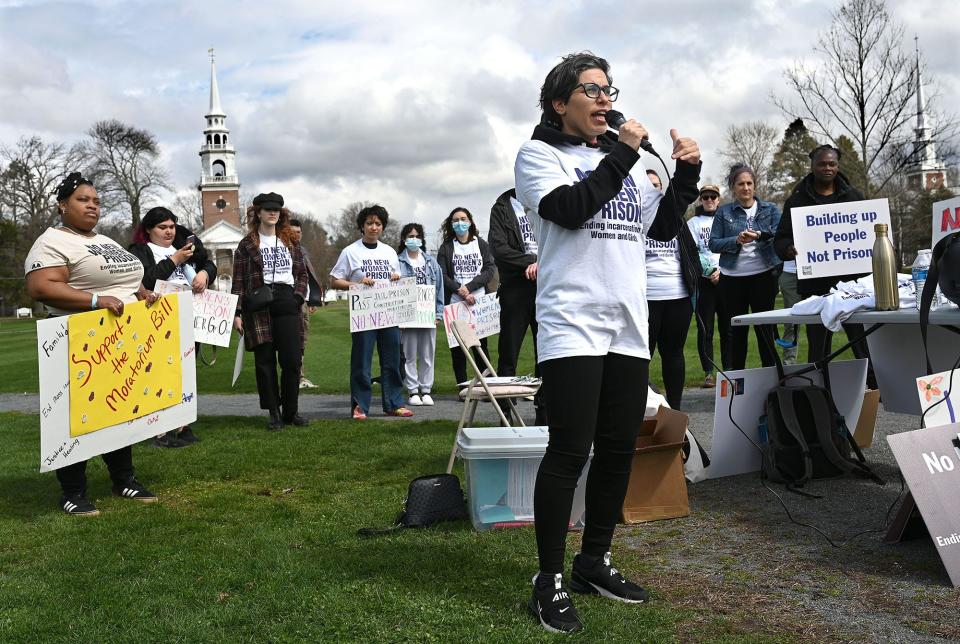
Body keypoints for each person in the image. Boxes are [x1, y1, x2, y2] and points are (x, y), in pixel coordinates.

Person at [514, 51, 701, 633]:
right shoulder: (538, 155)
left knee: (619, 447)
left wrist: (685, 175)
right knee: (571, 449)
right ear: (558, 103)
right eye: (590, 90)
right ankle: (548, 581)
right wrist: (622, 154)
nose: (603, 99)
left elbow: (661, 227)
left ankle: (594, 559)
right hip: (572, 319)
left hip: (627, 321)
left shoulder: (626, 162)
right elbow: (569, 210)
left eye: (607, 89)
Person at [24, 172, 159, 516]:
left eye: (97, 201)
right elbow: (42, 287)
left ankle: (123, 478)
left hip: (118, 336)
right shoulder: (52, 242)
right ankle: (72, 491)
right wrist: (97, 299)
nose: (93, 206)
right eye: (84, 200)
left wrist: (139, 291)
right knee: (75, 414)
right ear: (62, 205)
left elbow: (127, 277)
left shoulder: (106, 240)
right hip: (75, 336)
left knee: (118, 406)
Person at [773, 144, 876, 386]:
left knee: (861, 339)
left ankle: (874, 385)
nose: (827, 168)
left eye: (832, 164)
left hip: (853, 284)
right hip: (815, 284)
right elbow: (781, 239)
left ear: (838, 166)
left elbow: (868, 231)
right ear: (812, 165)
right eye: (822, 164)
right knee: (818, 341)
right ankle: (817, 386)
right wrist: (788, 249)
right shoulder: (796, 201)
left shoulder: (855, 197)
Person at [128, 206, 217, 447]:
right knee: (160, 375)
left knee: (186, 374)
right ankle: (159, 431)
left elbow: (208, 263)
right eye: (162, 227)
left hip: (189, 317)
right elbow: (145, 280)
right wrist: (174, 260)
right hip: (157, 321)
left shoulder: (185, 248)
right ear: (149, 230)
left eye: (171, 227)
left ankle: (182, 425)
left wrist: (204, 275)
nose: (168, 232)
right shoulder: (141, 251)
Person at [231, 192, 310, 431]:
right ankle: (274, 413)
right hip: (258, 303)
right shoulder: (246, 245)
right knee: (264, 363)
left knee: (292, 360)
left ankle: (291, 411)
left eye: (276, 209)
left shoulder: (290, 241)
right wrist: (236, 312)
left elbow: (302, 274)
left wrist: (297, 296)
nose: (272, 213)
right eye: (268, 209)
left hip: (287, 301)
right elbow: (238, 281)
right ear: (258, 213)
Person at [329, 204, 413, 420]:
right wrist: (355, 284)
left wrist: (396, 279)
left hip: (388, 313)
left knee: (392, 360)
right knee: (362, 361)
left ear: (383, 227)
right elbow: (335, 280)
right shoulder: (350, 251)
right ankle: (360, 406)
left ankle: (394, 403)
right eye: (369, 223)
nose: (373, 227)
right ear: (362, 226)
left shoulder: (390, 252)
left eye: (378, 223)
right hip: (364, 315)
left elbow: (398, 279)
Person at [709, 164, 782, 370]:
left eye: (749, 183)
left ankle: (771, 380)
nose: (746, 188)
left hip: (763, 277)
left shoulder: (770, 209)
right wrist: (736, 240)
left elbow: (780, 236)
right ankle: (738, 382)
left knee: (765, 331)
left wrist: (758, 235)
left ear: (755, 187)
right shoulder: (723, 213)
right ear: (733, 188)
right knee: (736, 333)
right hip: (732, 279)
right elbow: (713, 243)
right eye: (741, 184)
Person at [487, 188, 546, 424]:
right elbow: (499, 249)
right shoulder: (502, 207)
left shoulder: (546, 200)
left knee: (546, 354)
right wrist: (532, 262)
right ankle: (506, 414)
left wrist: (544, 264)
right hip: (515, 289)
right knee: (508, 354)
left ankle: (545, 414)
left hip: (546, 287)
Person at [644, 177, 700, 410]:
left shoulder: (677, 221)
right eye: (648, 185)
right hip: (644, 297)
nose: (654, 189)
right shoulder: (636, 219)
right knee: (640, 356)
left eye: (657, 185)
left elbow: (691, 254)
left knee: (674, 353)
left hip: (677, 295)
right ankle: (640, 406)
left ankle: (675, 409)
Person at [436, 207, 496, 386]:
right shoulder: (446, 247)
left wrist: (469, 288)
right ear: (451, 224)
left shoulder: (482, 244)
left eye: (463, 219)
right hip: (455, 303)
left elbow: (489, 269)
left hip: (479, 302)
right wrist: (460, 290)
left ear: (470, 221)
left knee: (480, 347)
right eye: (455, 220)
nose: (460, 223)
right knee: (458, 348)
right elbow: (442, 274)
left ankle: (486, 384)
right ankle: (462, 385)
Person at [686, 184, 730, 386]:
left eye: (713, 196)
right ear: (701, 200)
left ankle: (730, 371)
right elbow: (692, 251)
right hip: (705, 283)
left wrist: (722, 271)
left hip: (728, 278)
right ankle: (708, 373)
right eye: (706, 197)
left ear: (719, 199)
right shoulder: (693, 223)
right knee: (706, 330)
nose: (710, 200)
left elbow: (734, 245)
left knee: (728, 328)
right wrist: (711, 272)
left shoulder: (728, 219)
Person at [396, 223, 444, 406]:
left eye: (417, 236)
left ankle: (426, 389)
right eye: (410, 236)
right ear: (404, 239)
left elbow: (438, 289)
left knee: (427, 354)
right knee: (409, 354)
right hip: (408, 315)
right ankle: (413, 391)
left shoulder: (431, 262)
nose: (413, 239)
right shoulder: (398, 262)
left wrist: (438, 313)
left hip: (427, 314)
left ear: (422, 239)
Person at [289, 218, 323, 389]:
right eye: (293, 231)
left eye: (299, 232)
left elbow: (310, 275)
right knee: (291, 339)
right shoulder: (282, 251)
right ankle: (294, 376)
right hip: (288, 300)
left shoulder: (303, 251)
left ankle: (300, 377)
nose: (297, 234)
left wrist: (313, 299)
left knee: (303, 339)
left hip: (303, 301)